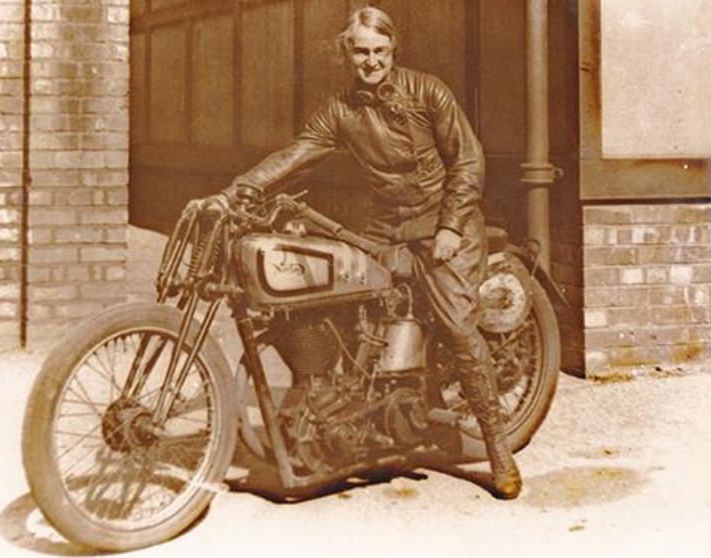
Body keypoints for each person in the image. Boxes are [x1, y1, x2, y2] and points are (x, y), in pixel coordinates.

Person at [222, 6, 521, 500]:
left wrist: (449, 227)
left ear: (393, 50)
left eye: (379, 51)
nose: (371, 61)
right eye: (361, 51)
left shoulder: (428, 91)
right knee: (338, 297)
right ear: (347, 52)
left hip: (446, 224)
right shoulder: (340, 109)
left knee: (458, 328)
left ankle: (496, 450)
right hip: (385, 228)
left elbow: (468, 161)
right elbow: (296, 153)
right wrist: (239, 188)